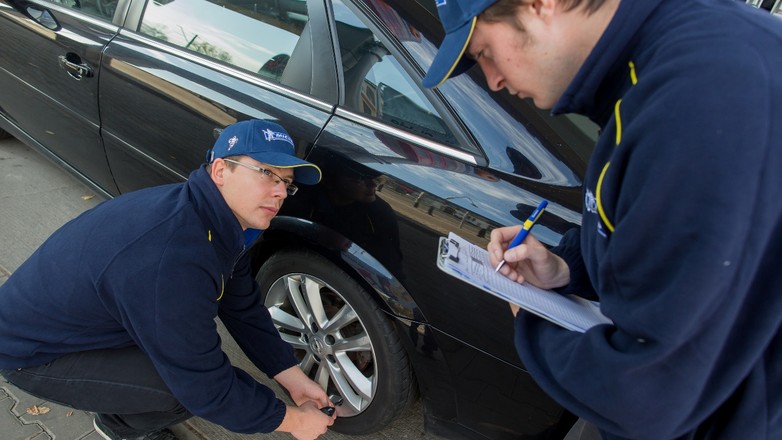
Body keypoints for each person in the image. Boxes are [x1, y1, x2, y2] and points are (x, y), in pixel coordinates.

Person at [424, 1, 782, 439]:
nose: (493, 80)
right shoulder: (651, 64)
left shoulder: (700, 101)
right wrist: (567, 268)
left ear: (540, 5)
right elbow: (658, 245)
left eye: (484, 53)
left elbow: (651, 393)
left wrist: (532, 320)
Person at [0, 119, 337, 440]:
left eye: (286, 183)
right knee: (179, 394)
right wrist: (292, 421)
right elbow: (205, 388)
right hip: (33, 352)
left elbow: (241, 305)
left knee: (183, 360)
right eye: (266, 173)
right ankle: (120, 425)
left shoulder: (221, 221)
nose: (280, 192)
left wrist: (290, 376)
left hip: (87, 320)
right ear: (221, 170)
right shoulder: (171, 256)